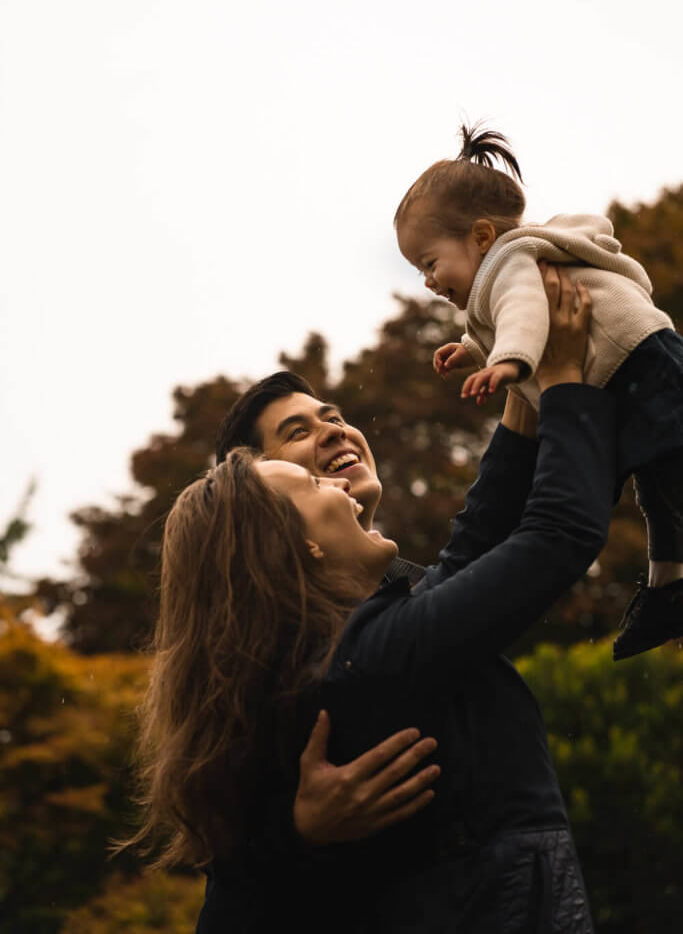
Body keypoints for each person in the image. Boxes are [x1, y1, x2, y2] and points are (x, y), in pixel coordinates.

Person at [121, 269, 616, 931]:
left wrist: (522, 387)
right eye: (295, 445)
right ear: (285, 541)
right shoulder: (360, 656)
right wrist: (563, 382)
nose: (335, 435)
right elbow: (553, 536)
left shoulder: (354, 637)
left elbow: (473, 545)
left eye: (335, 416)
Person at [395, 122, 683, 660]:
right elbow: (508, 319)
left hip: (644, 366)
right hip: (631, 373)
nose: (429, 282)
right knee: (661, 489)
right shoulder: (504, 275)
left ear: (481, 237)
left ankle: (669, 587)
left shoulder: (508, 263)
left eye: (430, 264)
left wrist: (506, 363)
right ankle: (668, 584)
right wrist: (475, 350)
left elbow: (525, 311)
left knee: (671, 482)